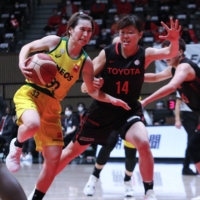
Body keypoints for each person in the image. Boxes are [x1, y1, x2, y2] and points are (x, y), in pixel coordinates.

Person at [50, 15, 180, 200]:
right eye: (122, 32)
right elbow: (84, 87)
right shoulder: (107, 53)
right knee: (72, 152)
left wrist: (174, 40)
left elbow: (170, 52)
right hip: (103, 109)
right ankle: (41, 188)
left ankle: (149, 192)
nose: (125, 36)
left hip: (128, 110)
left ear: (140, 35)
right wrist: (94, 84)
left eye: (130, 32)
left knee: (143, 143)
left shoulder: (146, 54)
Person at [5, 12, 129, 200]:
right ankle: (18, 144)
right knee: (32, 124)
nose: (86, 34)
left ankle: (35, 198)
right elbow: (28, 46)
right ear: (70, 30)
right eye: (82, 29)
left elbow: (92, 91)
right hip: (31, 92)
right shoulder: (56, 42)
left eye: (90, 31)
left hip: (53, 105)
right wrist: (22, 62)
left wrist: (111, 99)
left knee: (54, 161)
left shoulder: (85, 62)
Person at [140, 38, 200, 199]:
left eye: (169, 51)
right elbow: (155, 77)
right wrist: (132, 73)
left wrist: (145, 101)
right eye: (164, 51)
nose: (166, 55)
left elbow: (172, 86)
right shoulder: (174, 68)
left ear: (179, 52)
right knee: (195, 146)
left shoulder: (185, 66)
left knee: (195, 145)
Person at [83, 130, 137, 197]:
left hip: (129, 122)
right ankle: (94, 177)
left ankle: (127, 180)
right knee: (109, 142)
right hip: (114, 120)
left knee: (131, 154)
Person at [175, 91, 199, 175]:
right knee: (192, 140)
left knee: (196, 141)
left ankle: (196, 167)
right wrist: (177, 119)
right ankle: (186, 167)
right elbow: (177, 104)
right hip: (187, 115)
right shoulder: (181, 87)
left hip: (197, 114)